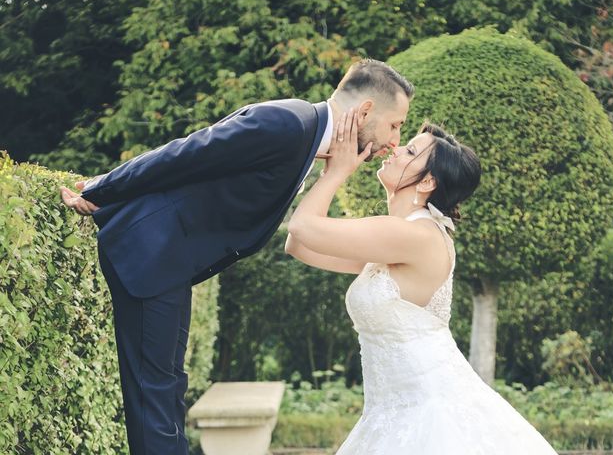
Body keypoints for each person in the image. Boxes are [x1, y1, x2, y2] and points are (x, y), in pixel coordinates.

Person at [58, 59, 414, 455]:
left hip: (168, 262)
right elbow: (184, 153)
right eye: (395, 125)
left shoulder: (306, 139)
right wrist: (101, 188)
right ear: (364, 111)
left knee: (168, 386)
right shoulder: (288, 124)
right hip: (148, 252)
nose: (395, 141)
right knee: (154, 395)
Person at [285, 110, 558, 454]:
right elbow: (298, 245)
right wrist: (329, 171)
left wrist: (339, 170)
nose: (396, 149)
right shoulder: (397, 237)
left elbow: (300, 228)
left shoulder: (415, 235)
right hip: (389, 414)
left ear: (428, 182)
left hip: (431, 413)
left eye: (411, 152)